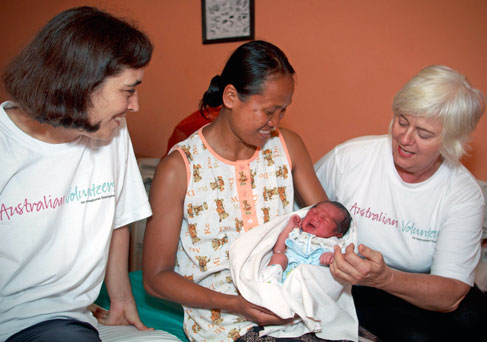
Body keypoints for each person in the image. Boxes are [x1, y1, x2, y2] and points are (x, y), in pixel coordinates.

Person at [0, 6, 177, 342]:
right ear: (79, 84)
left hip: (67, 319)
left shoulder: (112, 130)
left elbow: (116, 219)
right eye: (128, 90)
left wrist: (122, 300)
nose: (135, 105)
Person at [143, 40, 328, 342]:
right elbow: (155, 278)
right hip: (226, 321)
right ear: (230, 97)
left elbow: (328, 224)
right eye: (269, 111)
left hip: (293, 304)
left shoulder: (288, 147)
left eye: (283, 111)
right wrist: (237, 305)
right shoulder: (179, 168)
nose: (276, 123)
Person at [314, 65, 487, 341]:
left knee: (477, 321)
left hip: (421, 282)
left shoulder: (463, 193)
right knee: (416, 336)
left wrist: (385, 277)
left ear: (451, 141)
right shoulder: (349, 159)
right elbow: (299, 212)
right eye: (402, 121)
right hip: (355, 282)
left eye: (424, 134)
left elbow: (451, 292)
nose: (405, 139)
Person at [265, 201, 352, 284]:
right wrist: (290, 226)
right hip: (282, 274)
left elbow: (345, 265)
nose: (315, 218)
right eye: (313, 212)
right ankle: (269, 283)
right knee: (278, 257)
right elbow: (278, 249)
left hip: (307, 280)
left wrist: (333, 257)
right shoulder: (297, 233)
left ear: (337, 234)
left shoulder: (334, 245)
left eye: (324, 219)